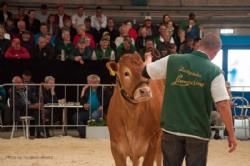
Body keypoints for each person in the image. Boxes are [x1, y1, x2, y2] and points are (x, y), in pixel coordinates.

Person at [142, 33, 237, 166]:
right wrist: (231, 134)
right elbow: (223, 105)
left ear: (199, 45)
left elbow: (145, 71)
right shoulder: (215, 72)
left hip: (171, 129)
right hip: (197, 132)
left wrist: (148, 59)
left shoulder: (172, 60)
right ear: (216, 51)